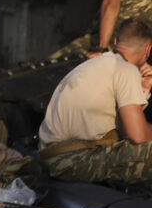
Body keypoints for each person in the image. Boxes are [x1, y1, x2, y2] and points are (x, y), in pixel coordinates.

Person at [40, 18, 152, 185]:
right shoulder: (126, 70)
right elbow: (138, 136)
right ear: (148, 50)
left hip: (53, 156)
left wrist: (143, 90)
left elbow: (122, 128)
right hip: (71, 160)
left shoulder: (96, 63)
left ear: (115, 42)